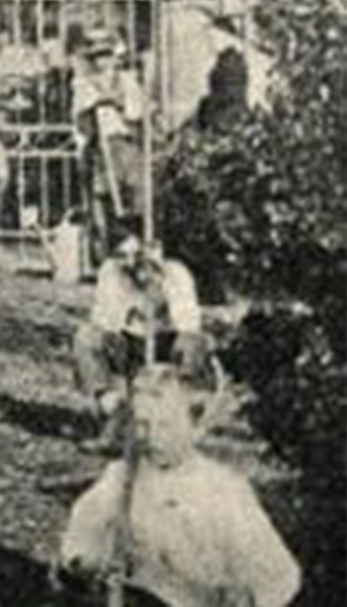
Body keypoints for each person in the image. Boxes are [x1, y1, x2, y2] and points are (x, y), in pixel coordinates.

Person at [59, 366, 300, 607]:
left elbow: (280, 579)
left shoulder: (224, 489)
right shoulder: (121, 478)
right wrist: (87, 564)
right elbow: (77, 546)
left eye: (166, 425)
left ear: (196, 427)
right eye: (143, 424)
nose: (153, 437)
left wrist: (243, 598)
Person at [74, 223, 209, 450]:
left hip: (166, 342)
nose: (129, 262)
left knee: (193, 342)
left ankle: (181, 420)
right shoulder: (111, 272)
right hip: (130, 343)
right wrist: (129, 296)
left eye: (135, 255)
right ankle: (116, 415)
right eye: (121, 255)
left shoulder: (176, 272)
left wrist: (160, 284)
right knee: (87, 337)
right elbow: (104, 320)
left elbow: (188, 322)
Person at [74, 31, 146, 261]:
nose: (101, 61)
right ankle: (108, 249)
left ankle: (136, 243)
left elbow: (137, 110)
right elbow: (79, 117)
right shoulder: (84, 84)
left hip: (125, 143)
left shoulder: (126, 80)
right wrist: (94, 107)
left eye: (105, 55)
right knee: (104, 196)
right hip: (100, 146)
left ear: (114, 57)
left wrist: (119, 102)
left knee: (134, 192)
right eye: (96, 57)